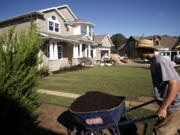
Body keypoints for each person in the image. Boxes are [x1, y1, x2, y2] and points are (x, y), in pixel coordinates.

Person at [136, 39, 180, 135]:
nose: (137, 53)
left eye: (139, 51)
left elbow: (175, 84)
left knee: (160, 132)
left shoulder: (160, 62)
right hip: (172, 103)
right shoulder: (153, 62)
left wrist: (163, 108)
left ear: (145, 50)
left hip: (175, 105)